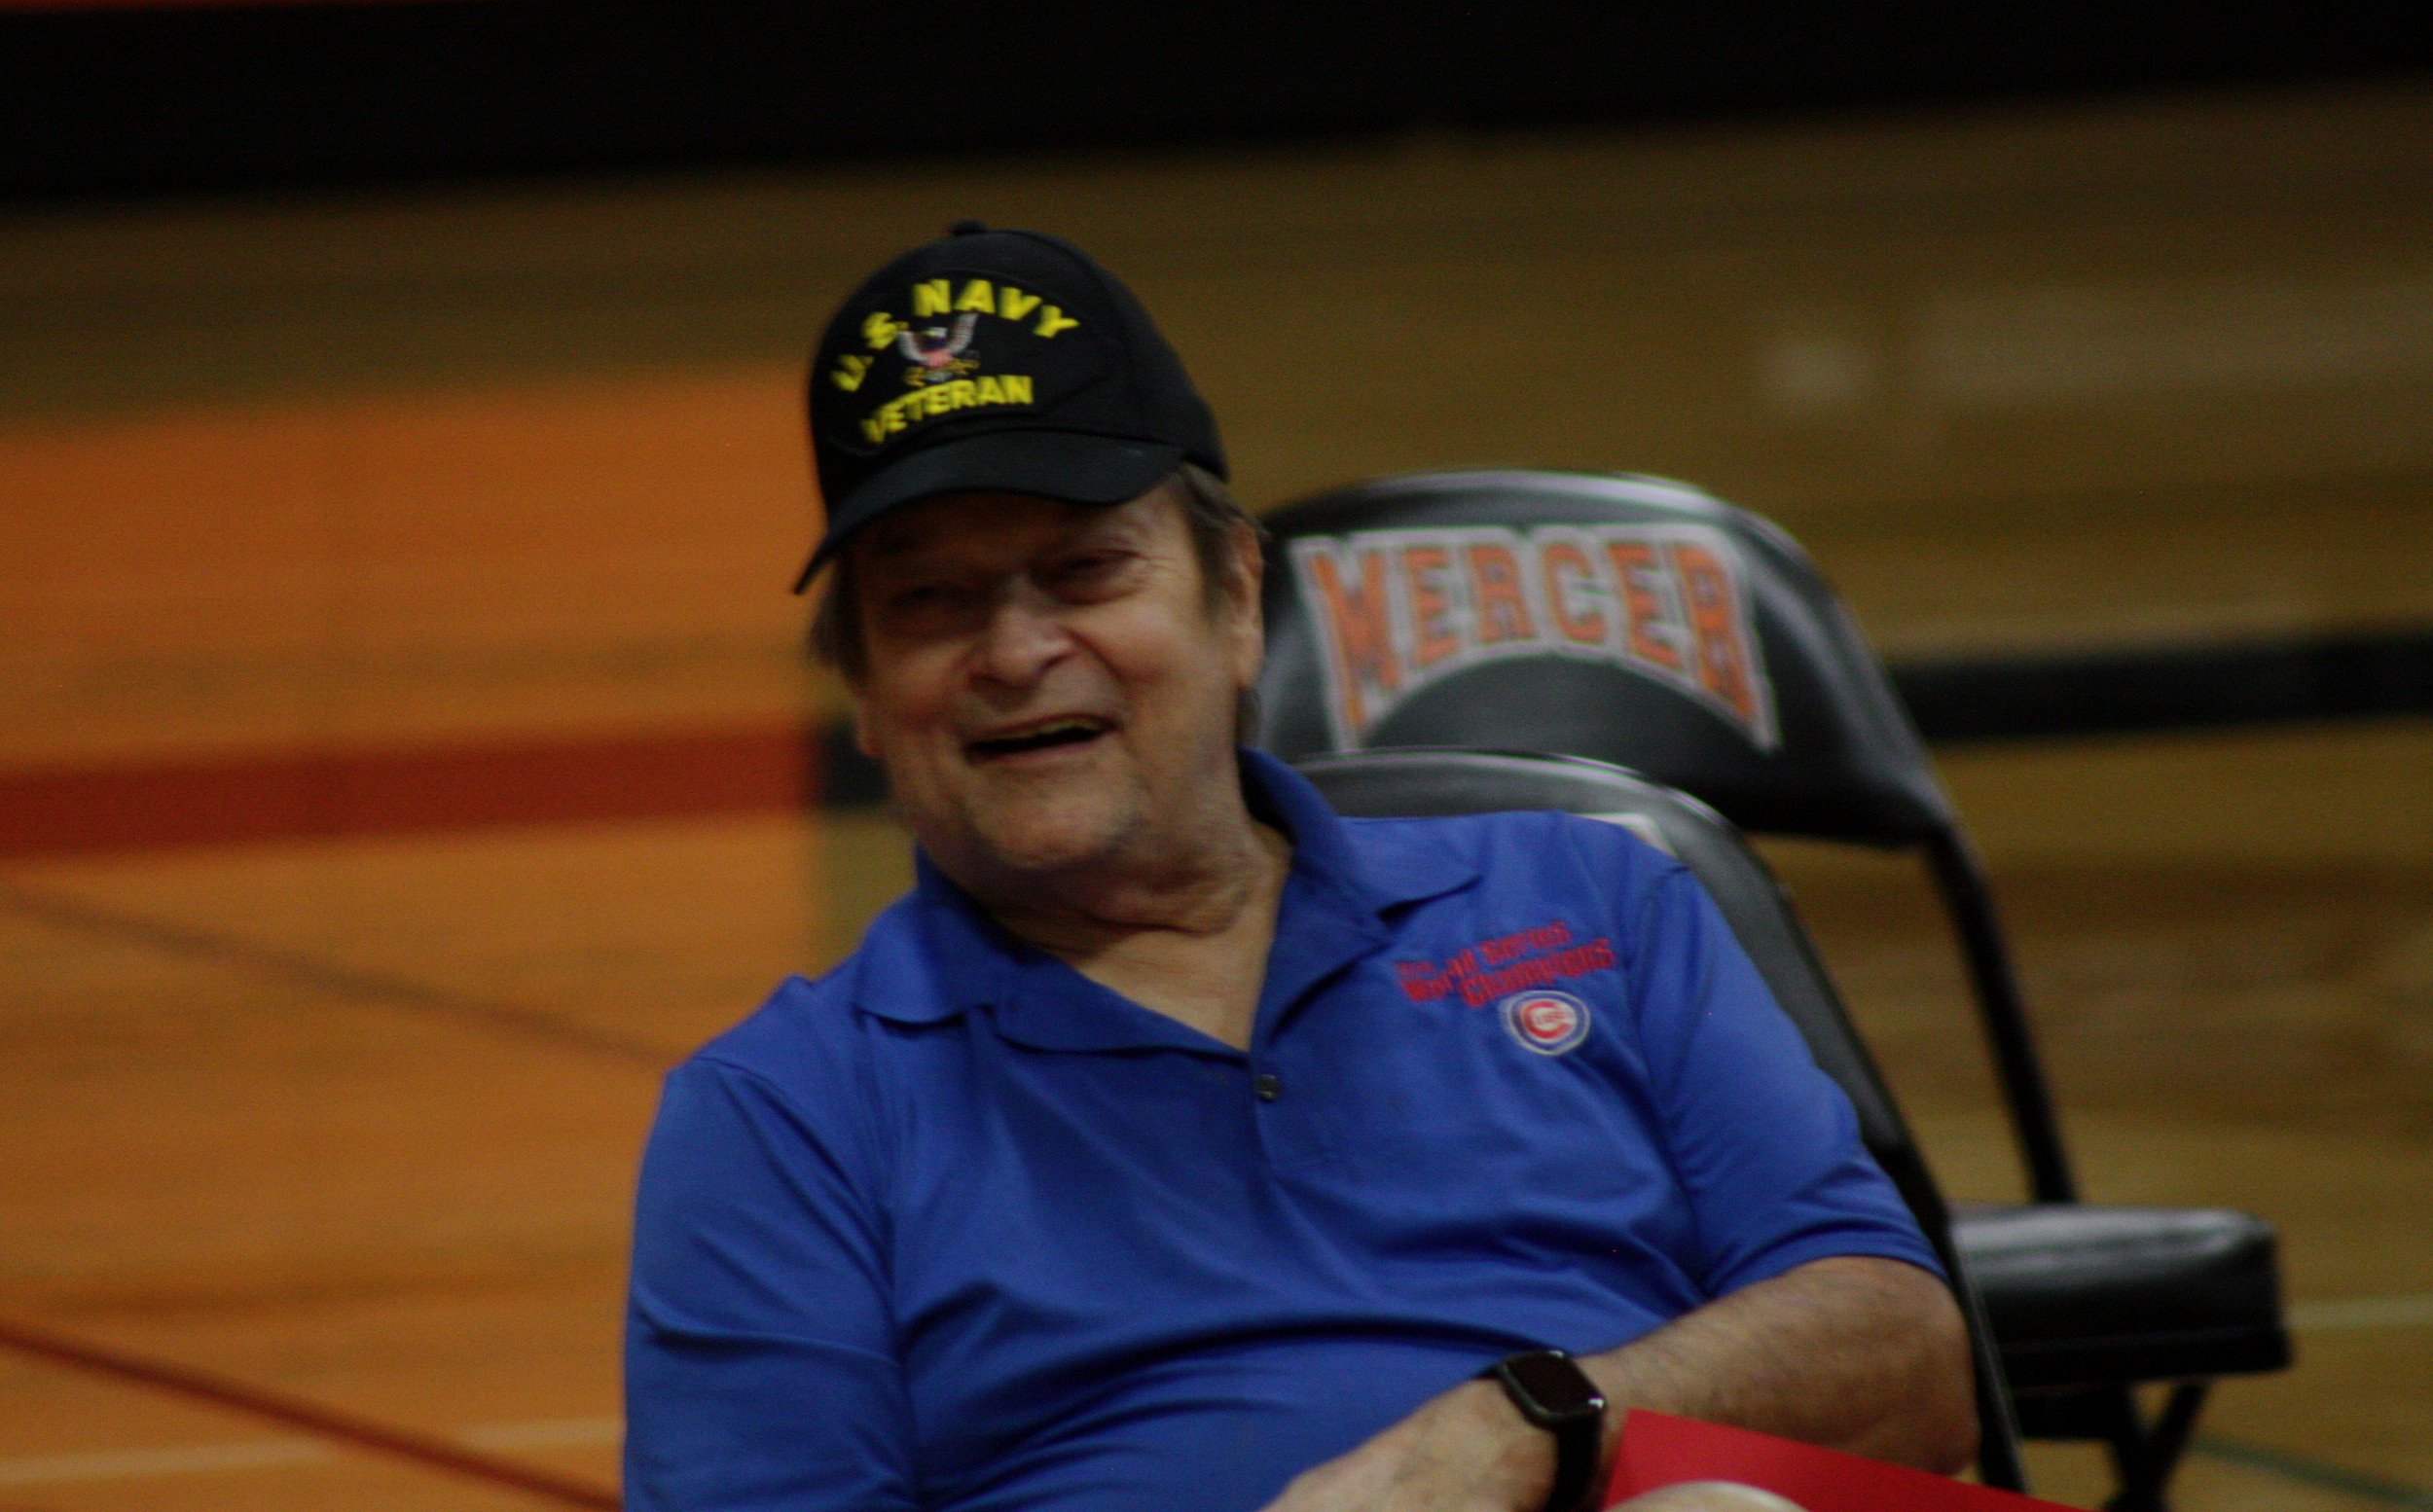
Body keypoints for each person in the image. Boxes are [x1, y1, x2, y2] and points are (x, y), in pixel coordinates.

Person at [624, 224, 1978, 1512]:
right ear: (863, 690)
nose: (1016, 649)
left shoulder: (1592, 901)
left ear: (1236, 601)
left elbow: (1909, 1362)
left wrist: (1516, 1430)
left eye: (1086, 569)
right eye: (928, 601)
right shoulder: (784, 1115)